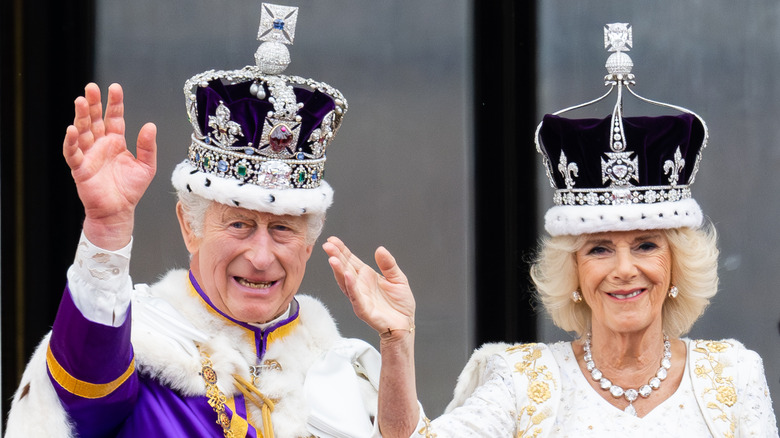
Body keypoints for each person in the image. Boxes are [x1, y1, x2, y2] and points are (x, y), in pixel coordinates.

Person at [323, 23, 779, 437]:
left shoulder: (731, 377)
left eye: (645, 245)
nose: (624, 269)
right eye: (599, 249)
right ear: (573, 271)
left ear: (678, 263)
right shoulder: (522, 381)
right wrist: (398, 340)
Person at [5, 4, 382, 437]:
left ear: (309, 242)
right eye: (239, 224)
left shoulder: (344, 377)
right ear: (190, 226)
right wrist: (106, 232)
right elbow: (84, 389)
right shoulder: (139, 347)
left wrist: (398, 343)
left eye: (282, 228)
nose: (261, 258)